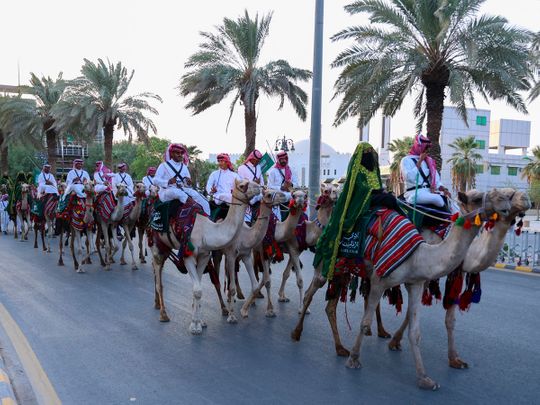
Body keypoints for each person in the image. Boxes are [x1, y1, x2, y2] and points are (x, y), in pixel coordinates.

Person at [154, 143, 210, 215]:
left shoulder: (184, 167)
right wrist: (168, 181)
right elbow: (155, 180)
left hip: (183, 189)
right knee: (179, 193)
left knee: (199, 196)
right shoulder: (164, 165)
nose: (180, 154)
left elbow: (186, 184)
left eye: (181, 153)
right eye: (177, 153)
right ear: (172, 154)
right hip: (167, 191)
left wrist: (188, 182)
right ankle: (195, 207)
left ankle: (207, 217)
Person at [400, 134, 452, 209]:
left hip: (428, 192)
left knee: (450, 201)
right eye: (425, 148)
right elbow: (409, 177)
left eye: (427, 148)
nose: (426, 150)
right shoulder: (406, 160)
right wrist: (420, 161)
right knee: (438, 200)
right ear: (419, 146)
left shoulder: (429, 161)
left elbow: (436, 180)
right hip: (414, 193)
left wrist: (443, 189)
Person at [206, 153, 240, 221]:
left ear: (227, 162)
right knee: (225, 196)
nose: (220, 163)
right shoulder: (214, 174)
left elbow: (240, 186)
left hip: (231, 198)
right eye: (219, 161)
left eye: (222, 161)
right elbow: (208, 185)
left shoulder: (234, 175)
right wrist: (211, 191)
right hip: (219, 197)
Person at [267, 150, 298, 220]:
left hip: (290, 198)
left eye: (285, 159)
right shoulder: (273, 171)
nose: (283, 161)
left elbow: (297, 184)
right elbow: (269, 186)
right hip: (278, 199)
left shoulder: (291, 170)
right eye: (281, 159)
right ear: (278, 160)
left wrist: (291, 184)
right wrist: (281, 188)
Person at [238, 149, 264, 223]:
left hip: (258, 196)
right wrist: (254, 182)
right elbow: (241, 185)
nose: (258, 162)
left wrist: (262, 187)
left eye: (259, 160)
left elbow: (261, 181)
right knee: (247, 222)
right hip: (247, 197)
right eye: (256, 160)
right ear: (252, 158)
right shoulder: (242, 168)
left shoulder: (258, 167)